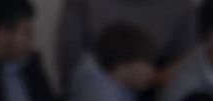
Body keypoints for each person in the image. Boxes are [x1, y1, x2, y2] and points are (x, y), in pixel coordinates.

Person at [55, 0, 196, 89]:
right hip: (95, 86)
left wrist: (154, 77)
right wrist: (113, 76)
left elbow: (188, 61)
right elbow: (69, 60)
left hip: (151, 95)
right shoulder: (83, 4)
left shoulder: (181, 6)